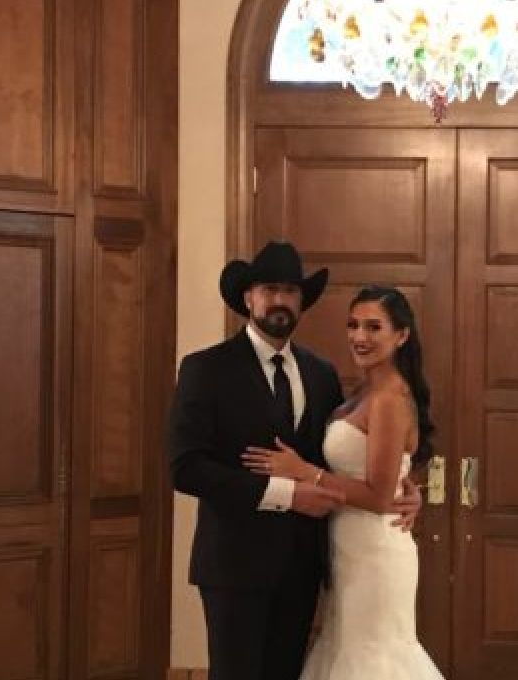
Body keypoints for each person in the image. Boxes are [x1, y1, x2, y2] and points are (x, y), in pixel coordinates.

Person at [168, 242, 423, 680]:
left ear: (302, 301)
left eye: (290, 291)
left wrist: (407, 488)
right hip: (235, 568)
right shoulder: (205, 369)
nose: (280, 300)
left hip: (306, 568)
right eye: (269, 289)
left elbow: (354, 455)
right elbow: (186, 468)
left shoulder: (321, 373)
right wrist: (286, 494)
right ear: (248, 298)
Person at [243, 284, 445, 679]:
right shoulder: (364, 390)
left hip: (375, 552)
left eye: (374, 327)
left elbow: (378, 496)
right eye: (353, 325)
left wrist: (306, 472)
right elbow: (378, 467)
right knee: (345, 653)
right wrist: (408, 485)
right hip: (346, 546)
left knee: (372, 658)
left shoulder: (389, 398)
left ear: (401, 335)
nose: (359, 336)